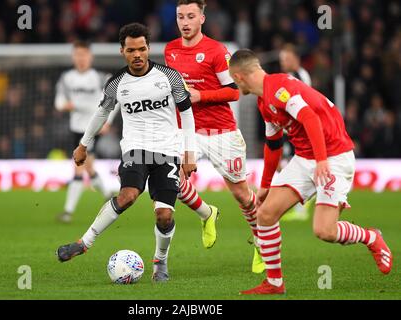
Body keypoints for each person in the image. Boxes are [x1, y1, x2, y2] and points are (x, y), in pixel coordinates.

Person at [228, 49, 392, 294]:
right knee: (266, 214)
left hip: (333, 156)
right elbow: (273, 145)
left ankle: (371, 237)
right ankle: (274, 283)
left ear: (239, 77)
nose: (234, 85)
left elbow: (311, 119)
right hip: (306, 157)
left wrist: (322, 160)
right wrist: (265, 184)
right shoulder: (265, 102)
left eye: (233, 79)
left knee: (324, 231)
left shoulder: (279, 89)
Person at [56, 23, 197, 282]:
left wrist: (190, 153)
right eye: (131, 50)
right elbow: (102, 113)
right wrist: (83, 144)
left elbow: (187, 113)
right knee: (128, 195)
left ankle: (160, 262)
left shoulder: (170, 77)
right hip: (135, 149)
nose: (137, 55)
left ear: (148, 48)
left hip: (167, 151)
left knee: (164, 215)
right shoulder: (117, 83)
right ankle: (84, 243)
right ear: (122, 51)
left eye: (142, 49)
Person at [165, 0, 264, 274]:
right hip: (186, 130)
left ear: (202, 19)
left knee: (242, 195)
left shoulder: (216, 51)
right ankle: (207, 213)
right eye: (180, 16)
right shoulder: (170, 50)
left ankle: (261, 241)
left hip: (221, 131)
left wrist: (200, 96)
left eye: (190, 16)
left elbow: (234, 91)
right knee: (171, 180)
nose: (185, 22)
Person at [55, 40, 117, 223]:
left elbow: (115, 100)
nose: (81, 59)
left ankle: (67, 212)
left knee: (79, 166)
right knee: (88, 167)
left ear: (90, 56)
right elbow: (58, 103)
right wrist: (69, 105)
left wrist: (108, 121)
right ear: (73, 57)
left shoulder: (100, 78)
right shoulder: (66, 78)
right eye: (78, 55)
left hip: (93, 128)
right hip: (76, 128)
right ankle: (108, 196)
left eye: (84, 55)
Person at [279, 43, 314, 221]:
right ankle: (297, 205)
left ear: (296, 59)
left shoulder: (300, 77)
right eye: (282, 59)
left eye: (287, 58)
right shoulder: (292, 76)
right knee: (284, 164)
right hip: (289, 128)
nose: (283, 62)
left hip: (297, 129)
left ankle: (301, 207)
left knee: (291, 164)